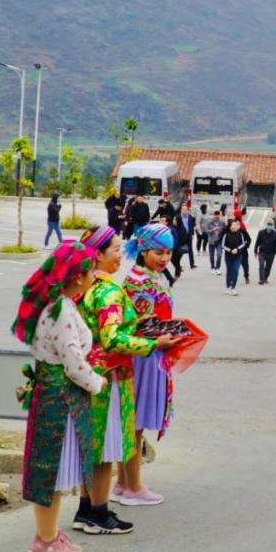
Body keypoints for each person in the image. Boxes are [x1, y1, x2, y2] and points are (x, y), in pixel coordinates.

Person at [74, 226, 180, 533]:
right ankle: (100, 512)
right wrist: (152, 343)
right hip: (111, 374)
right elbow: (113, 338)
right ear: (98, 255)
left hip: (88, 372)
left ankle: (86, 509)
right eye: (117, 250)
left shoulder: (83, 286)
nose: (123, 254)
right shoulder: (107, 290)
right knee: (105, 447)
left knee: (94, 444)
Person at [12, 240, 102, 552]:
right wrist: (98, 383)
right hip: (59, 400)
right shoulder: (61, 310)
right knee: (49, 473)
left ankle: (49, 535)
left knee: (53, 471)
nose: (96, 276)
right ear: (78, 276)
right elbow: (74, 364)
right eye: (92, 271)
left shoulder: (56, 303)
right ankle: (44, 543)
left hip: (52, 396)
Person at [118, 223, 178, 505]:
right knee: (134, 423)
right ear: (143, 251)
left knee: (132, 421)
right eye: (158, 252)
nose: (164, 258)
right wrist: (170, 337)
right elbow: (143, 326)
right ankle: (133, 487)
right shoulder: (140, 282)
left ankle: (122, 483)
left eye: (168, 252)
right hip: (144, 355)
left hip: (150, 352)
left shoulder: (150, 276)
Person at [222, 218, 250, 295]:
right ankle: (228, 287)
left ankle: (233, 288)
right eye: (233, 225)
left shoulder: (240, 234)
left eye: (236, 225)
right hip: (228, 256)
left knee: (236, 270)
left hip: (238, 256)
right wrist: (230, 250)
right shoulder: (226, 235)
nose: (235, 226)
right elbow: (223, 245)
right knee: (229, 271)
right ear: (230, 226)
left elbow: (243, 243)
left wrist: (237, 249)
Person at [254, 219, 276, 285]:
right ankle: (261, 279)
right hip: (262, 252)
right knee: (261, 264)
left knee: (268, 267)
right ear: (266, 225)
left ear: (272, 226)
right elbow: (257, 242)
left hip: (271, 253)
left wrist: (274, 252)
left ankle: (265, 278)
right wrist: (255, 251)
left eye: (271, 225)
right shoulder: (261, 232)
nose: (269, 226)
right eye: (268, 225)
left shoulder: (275, 234)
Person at [178, 202, 197, 271]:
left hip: (188, 235)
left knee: (190, 250)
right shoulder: (178, 217)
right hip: (181, 236)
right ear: (181, 210)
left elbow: (192, 226)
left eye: (186, 210)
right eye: (183, 210)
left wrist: (192, 234)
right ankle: (177, 264)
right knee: (180, 250)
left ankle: (192, 264)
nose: (185, 211)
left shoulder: (190, 217)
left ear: (187, 210)